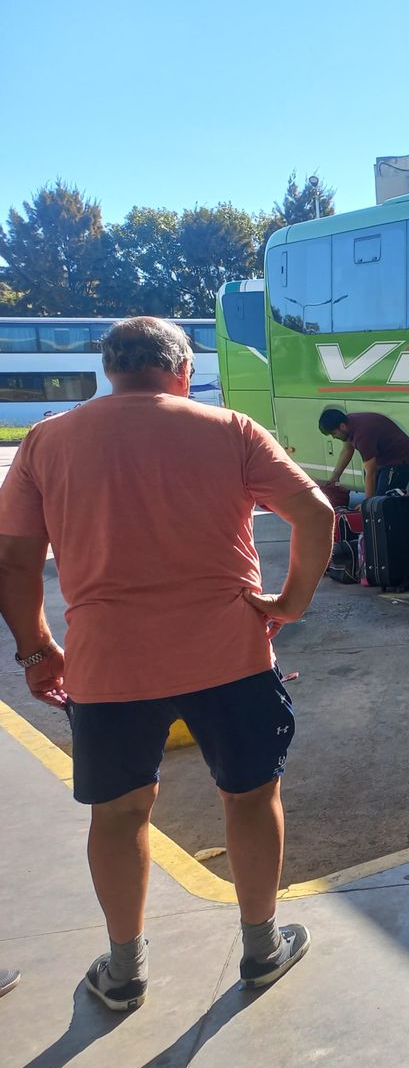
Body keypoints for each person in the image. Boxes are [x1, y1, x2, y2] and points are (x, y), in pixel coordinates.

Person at [0, 317, 333, 1011]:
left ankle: (124, 971)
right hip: (233, 656)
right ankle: (262, 946)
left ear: (109, 370)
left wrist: (36, 650)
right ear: (181, 371)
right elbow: (317, 513)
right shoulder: (230, 429)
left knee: (120, 814)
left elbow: (16, 561)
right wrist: (290, 603)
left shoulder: (47, 441)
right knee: (249, 795)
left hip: (107, 666)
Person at [318, 407, 409, 500]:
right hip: (384, 460)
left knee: (383, 501)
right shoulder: (348, 423)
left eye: (334, 433)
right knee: (377, 498)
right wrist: (335, 477)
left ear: (342, 426)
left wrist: (367, 504)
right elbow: (347, 450)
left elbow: (370, 472)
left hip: (400, 459)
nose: (334, 437)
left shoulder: (363, 434)